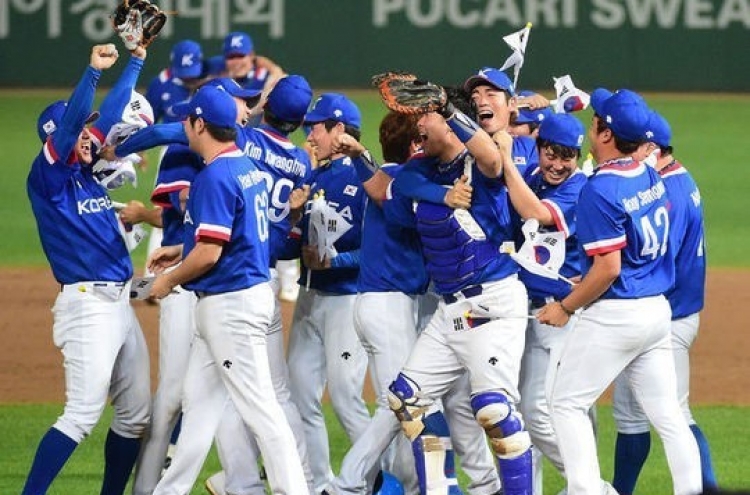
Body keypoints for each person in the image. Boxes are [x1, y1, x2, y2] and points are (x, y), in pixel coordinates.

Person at [326, 110, 503, 495]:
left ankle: (386, 485)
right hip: (389, 306)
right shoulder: (407, 185)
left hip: (388, 305)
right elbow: (398, 194)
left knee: (405, 402)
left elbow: (384, 186)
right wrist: (448, 195)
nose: (426, 141)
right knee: (409, 403)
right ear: (413, 146)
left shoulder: (395, 178)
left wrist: (360, 154)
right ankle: (349, 486)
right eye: (421, 137)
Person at [537, 89, 702, 495]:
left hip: (617, 315)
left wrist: (565, 306)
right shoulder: (649, 174)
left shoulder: (600, 189)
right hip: (656, 313)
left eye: (597, 117)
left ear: (605, 133)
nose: (592, 121)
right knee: (669, 416)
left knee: (565, 405)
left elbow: (608, 268)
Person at [145, 85, 307, 494]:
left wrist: (168, 279)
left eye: (188, 120)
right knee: (198, 407)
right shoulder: (244, 168)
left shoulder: (214, 176)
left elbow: (210, 254)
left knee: (264, 413)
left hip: (231, 306)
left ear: (200, 124)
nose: (184, 125)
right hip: (237, 297)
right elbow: (241, 235)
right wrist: (182, 249)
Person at [383, 88, 533, 495]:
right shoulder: (425, 168)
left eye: (425, 117)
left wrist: (448, 108)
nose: (419, 125)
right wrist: (443, 195)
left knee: (494, 411)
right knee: (408, 402)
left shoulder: (479, 164)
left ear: (449, 122)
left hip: (491, 303)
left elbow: (490, 156)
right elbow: (400, 184)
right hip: (449, 314)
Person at [23, 43, 151, 495]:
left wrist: (136, 58)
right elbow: (77, 120)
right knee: (79, 415)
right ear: (54, 140)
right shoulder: (49, 176)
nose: (88, 136)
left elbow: (109, 115)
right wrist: (92, 72)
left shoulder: (83, 167)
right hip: (87, 308)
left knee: (136, 413)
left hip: (119, 305)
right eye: (79, 131)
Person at [611, 110, 717, 494]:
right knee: (632, 418)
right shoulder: (675, 178)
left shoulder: (667, 193)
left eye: (633, 147)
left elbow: (653, 260)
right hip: (671, 314)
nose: (625, 154)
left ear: (654, 149)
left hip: (667, 317)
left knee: (673, 415)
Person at [497, 113, 597, 495]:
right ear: (538, 149)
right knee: (526, 412)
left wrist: (506, 160)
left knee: (540, 414)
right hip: (530, 310)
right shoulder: (535, 180)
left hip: (560, 314)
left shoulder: (578, 188)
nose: (558, 164)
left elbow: (538, 214)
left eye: (566, 156)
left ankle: (592, 487)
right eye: (550, 154)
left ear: (578, 156)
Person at [285, 93, 370, 492]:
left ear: (339, 130)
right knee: (302, 397)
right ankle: (320, 485)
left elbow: (375, 250)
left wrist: (333, 263)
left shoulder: (364, 177)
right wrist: (296, 215)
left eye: (315, 127)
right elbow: (301, 242)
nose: (309, 134)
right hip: (309, 297)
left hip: (346, 301)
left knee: (347, 399)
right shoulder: (314, 176)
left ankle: (381, 482)